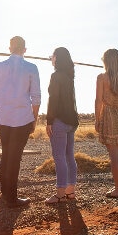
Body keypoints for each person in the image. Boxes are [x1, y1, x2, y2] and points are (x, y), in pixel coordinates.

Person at [0, 36, 41, 208]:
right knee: (15, 157)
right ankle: (11, 198)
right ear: (24, 49)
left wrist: (3, 109)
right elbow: (36, 97)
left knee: (6, 155)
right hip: (22, 119)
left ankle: (5, 192)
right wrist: (34, 119)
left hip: (3, 119)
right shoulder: (31, 68)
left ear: (9, 48)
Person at [95, 48, 118, 198]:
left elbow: (98, 100)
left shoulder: (102, 78)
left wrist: (97, 119)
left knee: (114, 154)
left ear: (106, 61)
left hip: (109, 114)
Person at [44, 47, 79, 204]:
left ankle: (59, 194)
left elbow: (53, 99)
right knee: (69, 156)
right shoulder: (69, 76)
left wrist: (49, 120)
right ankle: (70, 192)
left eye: (52, 56)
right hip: (71, 122)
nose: (51, 58)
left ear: (57, 58)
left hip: (59, 121)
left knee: (59, 157)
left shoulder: (56, 76)